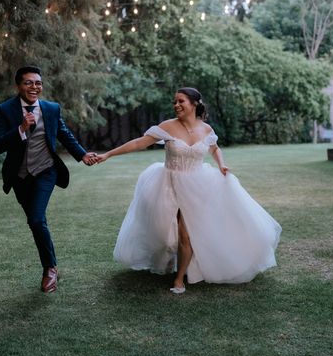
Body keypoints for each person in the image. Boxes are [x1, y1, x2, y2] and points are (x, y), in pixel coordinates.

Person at [96, 88, 281, 294]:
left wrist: (221, 164)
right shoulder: (167, 126)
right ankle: (167, 261)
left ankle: (179, 278)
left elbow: (214, 148)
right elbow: (139, 142)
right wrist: (108, 154)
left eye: (181, 101)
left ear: (194, 104)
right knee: (164, 233)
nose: (176, 105)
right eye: (174, 102)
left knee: (186, 234)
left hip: (197, 186)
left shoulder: (206, 129)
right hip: (167, 183)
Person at [0, 66, 98, 293]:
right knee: (36, 221)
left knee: (36, 219)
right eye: (29, 83)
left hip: (45, 171)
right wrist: (20, 129)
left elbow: (64, 133)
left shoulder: (51, 109)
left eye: (38, 83)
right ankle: (52, 265)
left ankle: (49, 268)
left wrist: (82, 154)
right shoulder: (5, 110)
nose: (34, 87)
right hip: (19, 176)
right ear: (19, 86)